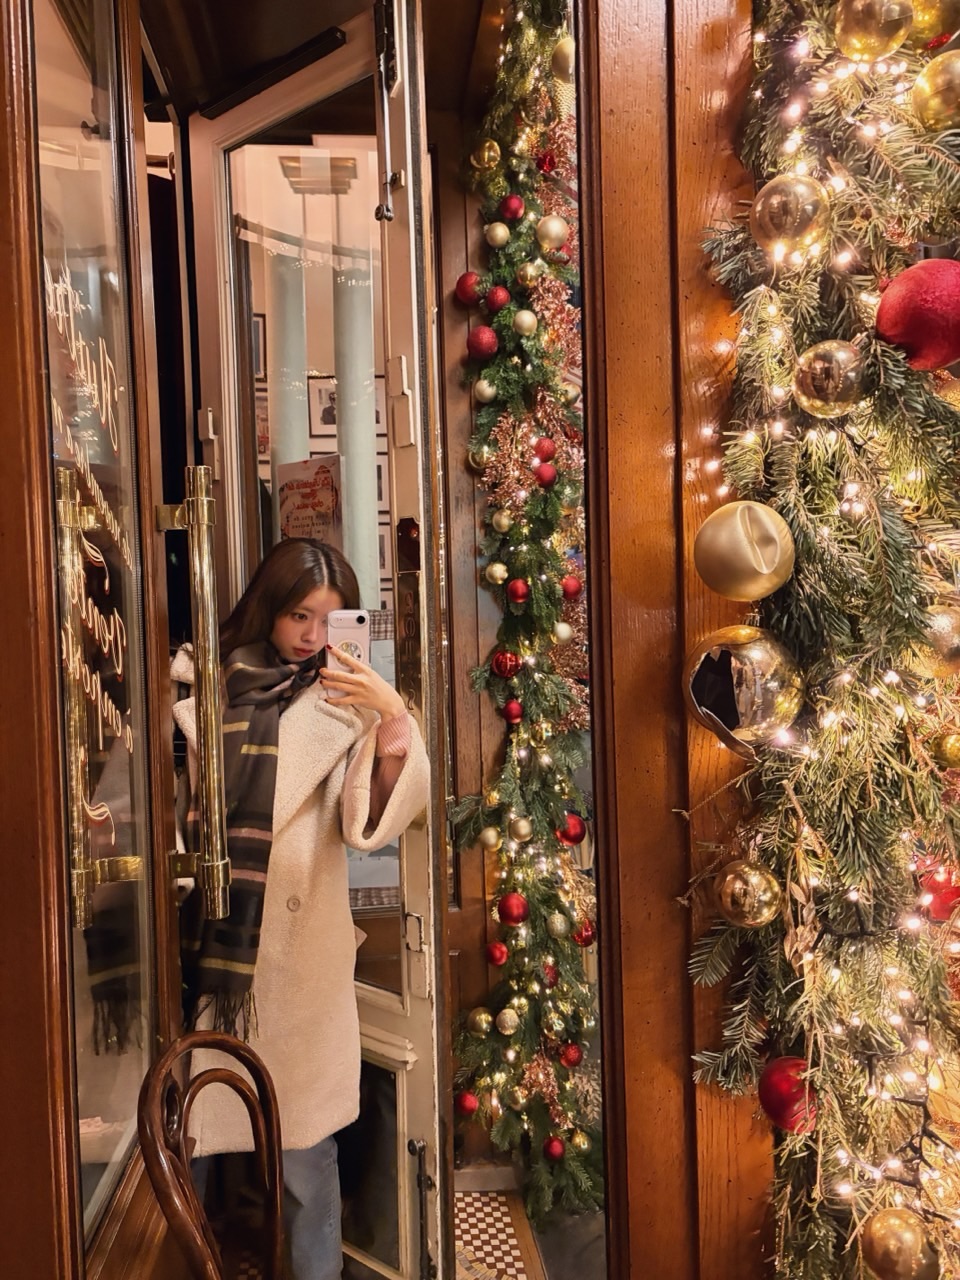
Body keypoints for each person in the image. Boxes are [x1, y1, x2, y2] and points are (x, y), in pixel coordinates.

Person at [171, 537, 429, 1280]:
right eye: (299, 616)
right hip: (211, 948)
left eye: (330, 618)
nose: (314, 636)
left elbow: (365, 824)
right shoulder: (206, 686)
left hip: (297, 966)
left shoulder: (344, 703)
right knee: (189, 1153)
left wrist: (391, 721)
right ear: (268, 609)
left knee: (306, 1163)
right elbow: (173, 809)